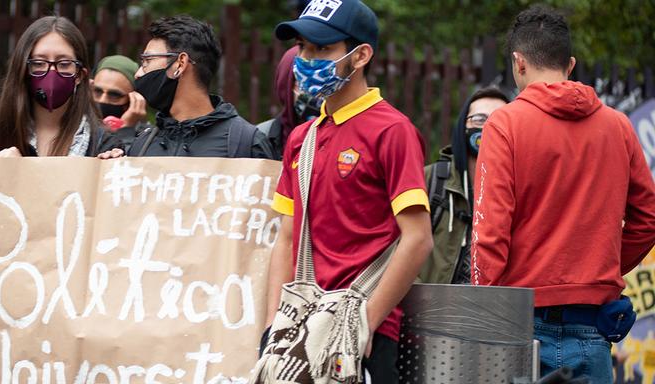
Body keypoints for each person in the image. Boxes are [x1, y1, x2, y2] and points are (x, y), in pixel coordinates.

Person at [471, 6, 655, 382]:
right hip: (593, 330)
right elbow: (648, 216)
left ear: (518, 63)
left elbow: (489, 234)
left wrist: (483, 312)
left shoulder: (505, 124)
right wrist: (598, 269)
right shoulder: (618, 127)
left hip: (519, 327)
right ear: (569, 64)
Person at [0, 16, 117, 370]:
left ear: (81, 74)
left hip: (82, 315)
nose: (51, 72)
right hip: (9, 313)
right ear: (23, 68)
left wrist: (117, 172)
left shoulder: (106, 146)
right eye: (39, 63)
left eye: (64, 64)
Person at [264, 1, 433, 382]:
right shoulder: (300, 139)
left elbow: (418, 239)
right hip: (299, 326)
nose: (307, 59)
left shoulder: (392, 131)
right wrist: (273, 322)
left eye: (323, 49)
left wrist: (366, 322)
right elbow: (286, 236)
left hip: (364, 329)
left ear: (361, 56)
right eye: (304, 48)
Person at [118, 15, 274, 159]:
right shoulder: (143, 145)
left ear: (180, 63)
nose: (138, 74)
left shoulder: (247, 144)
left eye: (147, 61)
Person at [418, 86, 509, 284]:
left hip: (491, 309)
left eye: (498, 119)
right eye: (479, 119)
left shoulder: (519, 187)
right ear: (463, 126)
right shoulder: (431, 180)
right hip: (432, 310)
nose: (488, 127)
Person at [256, 46, 323, 160]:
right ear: (285, 86)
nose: (314, 91)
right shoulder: (261, 138)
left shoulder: (347, 136)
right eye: (302, 82)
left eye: (319, 82)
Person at [92, 55, 148, 148]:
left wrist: (126, 129)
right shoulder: (76, 128)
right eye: (98, 91)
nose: (102, 100)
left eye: (114, 95)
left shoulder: (147, 137)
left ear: (133, 100)